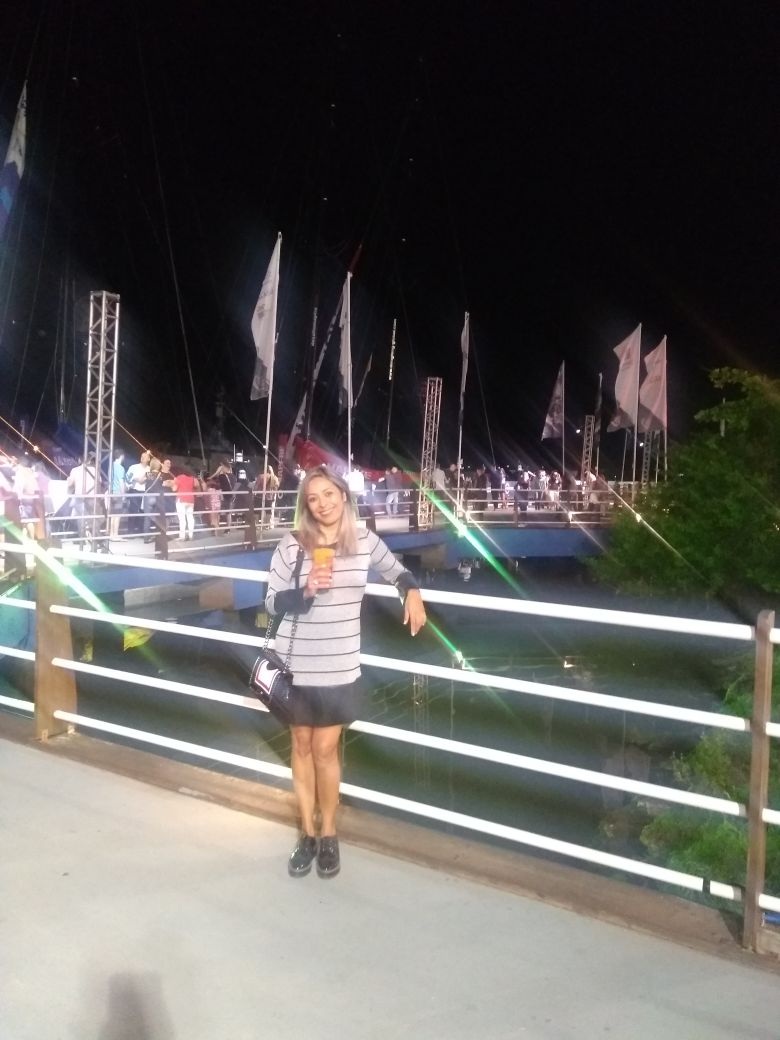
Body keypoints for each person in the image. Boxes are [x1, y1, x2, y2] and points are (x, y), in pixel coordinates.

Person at [266, 465, 426, 879]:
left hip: (340, 663)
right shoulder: (292, 544)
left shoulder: (364, 540)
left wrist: (412, 591)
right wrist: (305, 590)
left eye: (329, 494)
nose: (322, 504)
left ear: (343, 495)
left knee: (325, 749)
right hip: (296, 664)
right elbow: (271, 602)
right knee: (301, 746)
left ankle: (330, 833)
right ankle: (307, 833)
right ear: (306, 506)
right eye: (313, 498)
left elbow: (397, 570)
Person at [173, 466, 201, 540]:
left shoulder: (179, 477)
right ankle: (190, 535)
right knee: (190, 517)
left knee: (182, 519)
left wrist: (173, 483)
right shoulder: (192, 478)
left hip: (181, 499)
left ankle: (182, 536)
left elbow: (174, 489)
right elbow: (197, 486)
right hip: (190, 500)